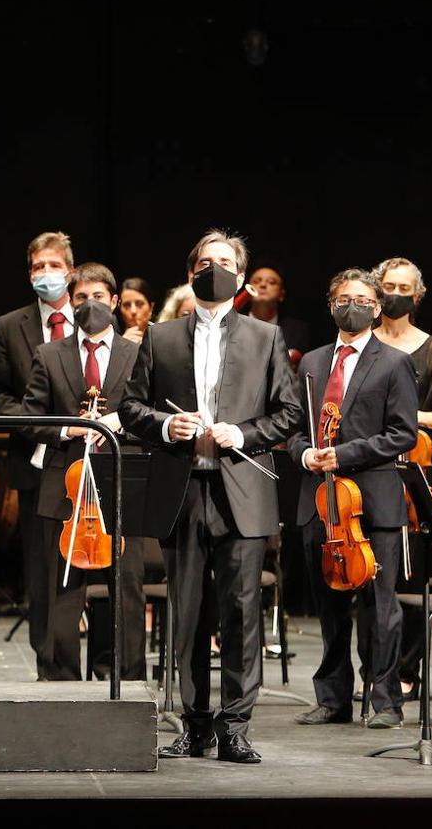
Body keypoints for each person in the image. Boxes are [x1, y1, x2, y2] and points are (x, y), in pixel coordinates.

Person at [119, 230, 300, 764]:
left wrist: (243, 435)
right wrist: (167, 426)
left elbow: (289, 414)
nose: (213, 269)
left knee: (242, 614)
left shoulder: (265, 337)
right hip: (182, 489)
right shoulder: (160, 336)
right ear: (191, 270)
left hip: (240, 489)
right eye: (205, 262)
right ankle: (195, 726)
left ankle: (236, 728)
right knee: (189, 613)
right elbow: (131, 408)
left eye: (224, 263)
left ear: (240, 277)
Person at [290, 268, 419, 730]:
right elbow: (294, 428)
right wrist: (305, 454)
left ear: (377, 307)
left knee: (380, 607)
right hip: (320, 501)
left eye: (363, 299)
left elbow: (403, 434)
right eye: (344, 298)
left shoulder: (393, 362)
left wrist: (341, 454)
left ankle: (385, 701)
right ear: (331, 305)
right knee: (328, 607)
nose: (353, 305)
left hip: (373, 500)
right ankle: (333, 699)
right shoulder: (311, 362)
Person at [20, 263, 145, 681]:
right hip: (64, 480)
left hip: (120, 477)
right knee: (62, 585)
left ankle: (125, 678)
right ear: (70, 304)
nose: (88, 305)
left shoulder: (139, 353)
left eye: (97, 297)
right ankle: (59, 679)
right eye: (80, 298)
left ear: (114, 301)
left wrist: (120, 423)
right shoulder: (49, 354)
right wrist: (69, 427)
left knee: (125, 584)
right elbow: (30, 419)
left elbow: (150, 413)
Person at [0, 232, 78, 680]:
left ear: (71, 271)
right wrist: (33, 421)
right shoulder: (10, 325)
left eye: (54, 265)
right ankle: (49, 666)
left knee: (84, 567)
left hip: (87, 460)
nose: (46, 274)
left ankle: (94, 663)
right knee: (42, 571)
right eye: (38, 267)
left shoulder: (90, 318)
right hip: (35, 460)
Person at [370, 255, 432, 699]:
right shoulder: (363, 342)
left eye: (404, 288)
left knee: (409, 578)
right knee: (371, 578)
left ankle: (406, 671)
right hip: (369, 468)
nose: (395, 294)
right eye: (388, 286)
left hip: (413, 471)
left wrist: (400, 416)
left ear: (417, 296)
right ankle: (374, 669)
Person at [248, 262, 311, 358]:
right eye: (257, 281)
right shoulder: (230, 324)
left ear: (281, 295)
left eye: (271, 282)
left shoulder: (297, 331)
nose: (263, 285)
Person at [118, 277, 154, 344]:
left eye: (139, 304)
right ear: (120, 308)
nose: (133, 311)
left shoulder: (163, 336)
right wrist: (122, 346)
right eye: (127, 305)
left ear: (151, 307)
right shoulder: (110, 338)